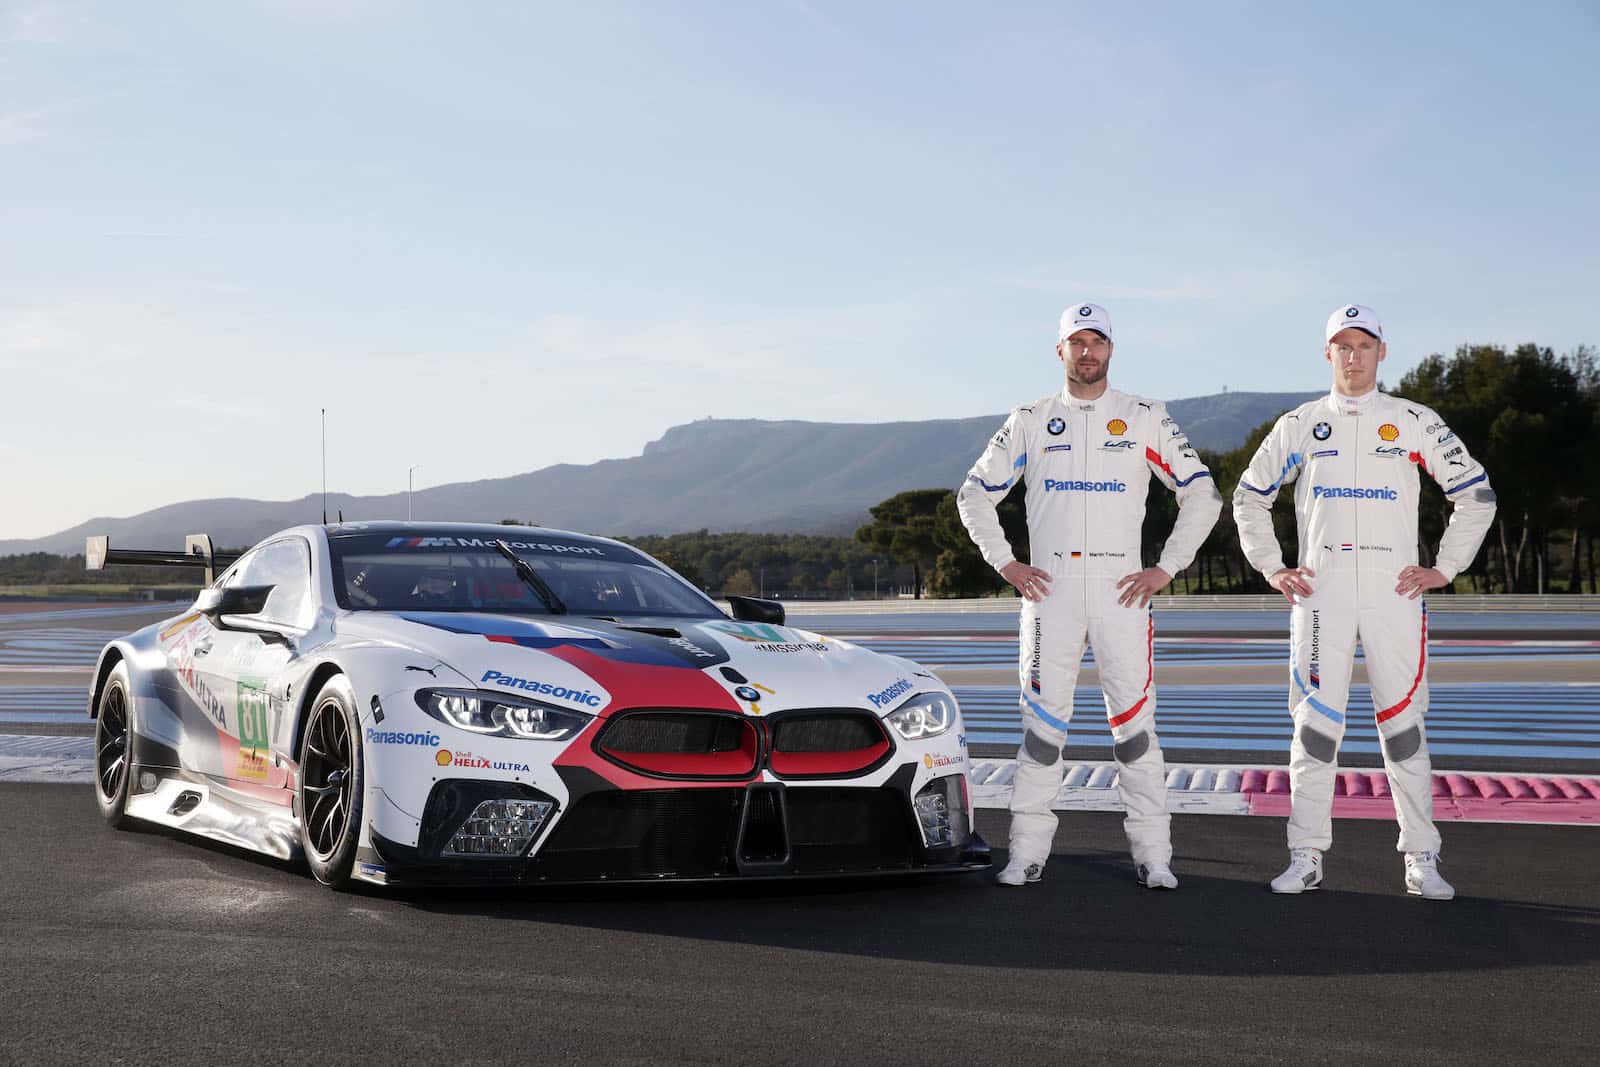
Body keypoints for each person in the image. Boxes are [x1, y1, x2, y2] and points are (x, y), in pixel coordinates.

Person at [1233, 304, 1497, 900]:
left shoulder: (1413, 421)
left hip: (1393, 593)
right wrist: (1272, 566)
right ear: (1327, 353)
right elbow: (1248, 497)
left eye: (1364, 345)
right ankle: (1305, 854)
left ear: (1382, 351)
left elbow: (1476, 495)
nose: (1353, 357)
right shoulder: (1300, 424)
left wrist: (1445, 566)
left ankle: (1421, 857)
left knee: (1404, 730)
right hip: (1320, 594)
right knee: (1314, 731)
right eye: (1343, 346)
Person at [958, 302, 1222, 889]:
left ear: (1111, 350)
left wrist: (1166, 568)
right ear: (1060, 350)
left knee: (1135, 732)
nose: (1087, 352)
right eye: (1076, 342)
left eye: (1096, 342)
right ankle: (1026, 855)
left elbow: (1203, 494)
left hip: (1121, 592)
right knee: (1041, 733)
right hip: (1048, 591)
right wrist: (1005, 562)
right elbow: (973, 494)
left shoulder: (1145, 416)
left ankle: (1154, 857)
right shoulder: (1030, 420)